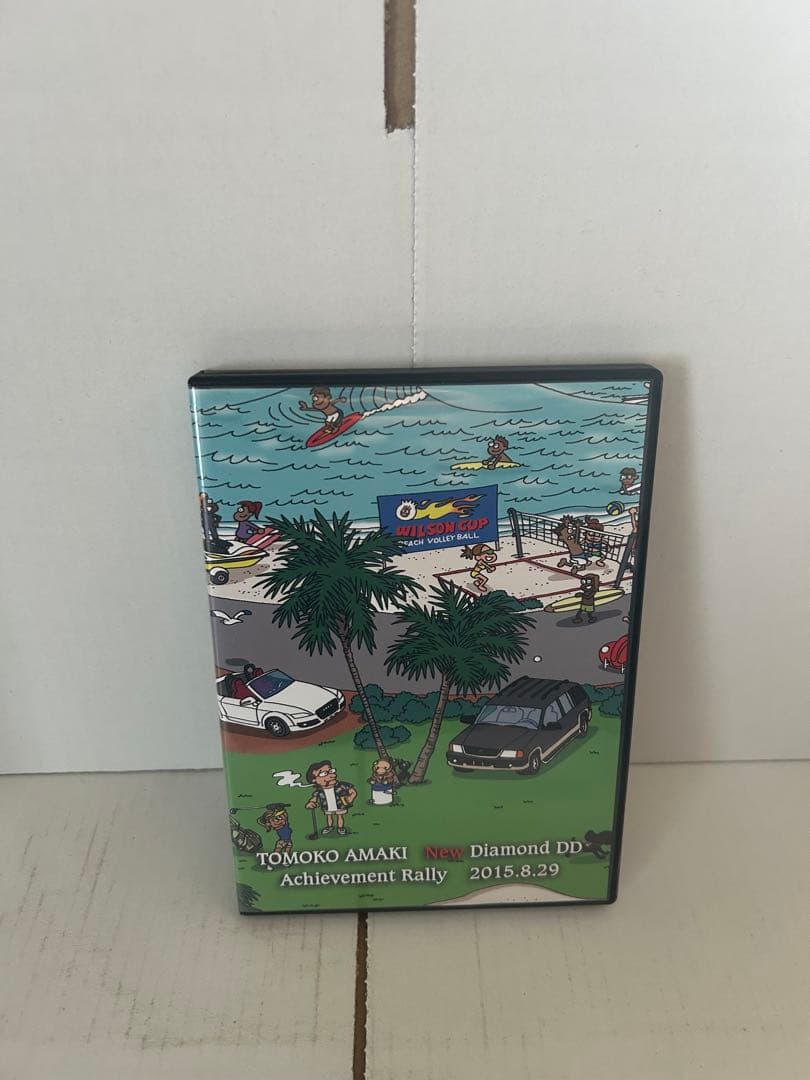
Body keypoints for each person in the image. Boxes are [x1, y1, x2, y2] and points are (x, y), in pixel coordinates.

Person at [305, 760, 357, 837]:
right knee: (329, 817)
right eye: (324, 773)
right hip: (327, 806)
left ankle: (340, 828)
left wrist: (350, 798)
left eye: (331, 771)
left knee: (340, 816)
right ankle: (329, 827)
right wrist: (311, 803)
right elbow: (314, 798)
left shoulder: (341, 786)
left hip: (339, 805)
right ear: (314, 780)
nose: (332, 775)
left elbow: (353, 791)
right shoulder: (319, 791)